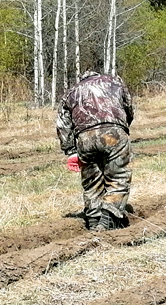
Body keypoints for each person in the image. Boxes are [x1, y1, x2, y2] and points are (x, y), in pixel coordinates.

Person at [56, 71, 134, 232]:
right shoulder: (115, 82)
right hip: (113, 132)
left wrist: (70, 150)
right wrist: (123, 127)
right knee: (118, 177)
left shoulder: (71, 92)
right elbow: (128, 107)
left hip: (85, 138)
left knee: (92, 183)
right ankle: (108, 220)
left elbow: (63, 125)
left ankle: (93, 221)